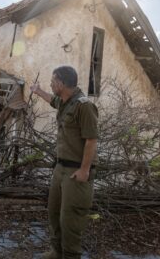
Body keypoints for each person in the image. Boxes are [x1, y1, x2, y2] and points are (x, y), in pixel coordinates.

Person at [30, 66, 99, 259]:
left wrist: (85, 170)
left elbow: (91, 140)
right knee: (54, 212)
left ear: (61, 83)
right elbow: (53, 101)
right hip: (61, 168)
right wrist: (38, 90)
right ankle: (57, 251)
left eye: (53, 81)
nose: (51, 84)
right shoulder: (65, 102)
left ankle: (70, 255)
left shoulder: (84, 105)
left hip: (77, 171)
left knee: (70, 219)